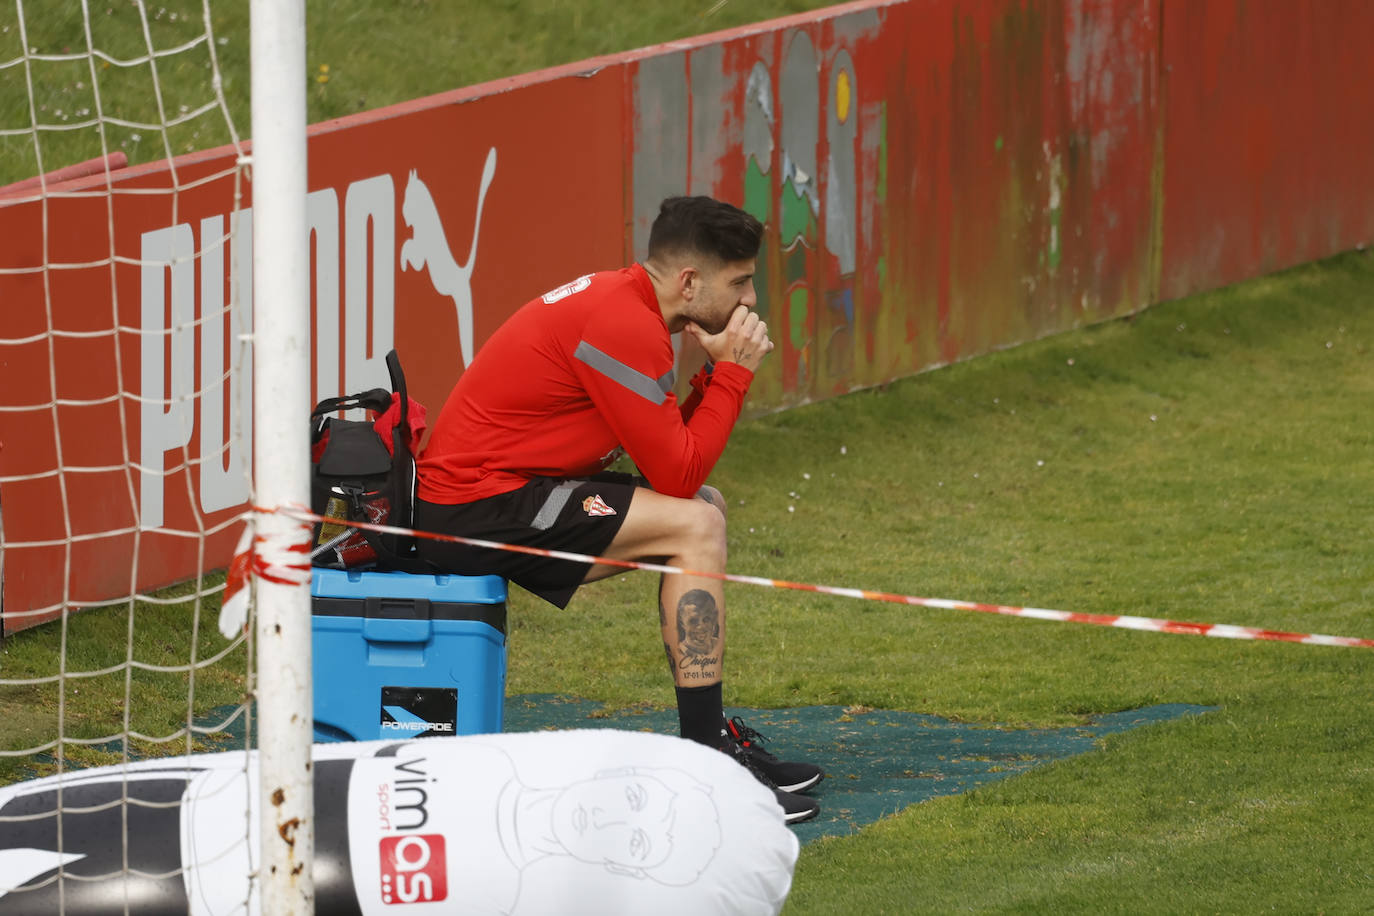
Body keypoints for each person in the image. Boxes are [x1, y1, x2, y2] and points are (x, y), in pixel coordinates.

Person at [415, 195, 823, 823]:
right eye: (739, 282)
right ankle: (707, 765)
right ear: (690, 282)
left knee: (701, 512)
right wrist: (733, 376)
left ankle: (708, 745)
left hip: (508, 495)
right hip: (474, 508)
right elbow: (678, 473)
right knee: (698, 521)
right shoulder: (624, 325)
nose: (748, 301)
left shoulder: (630, 308)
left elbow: (676, 462)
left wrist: (714, 380)